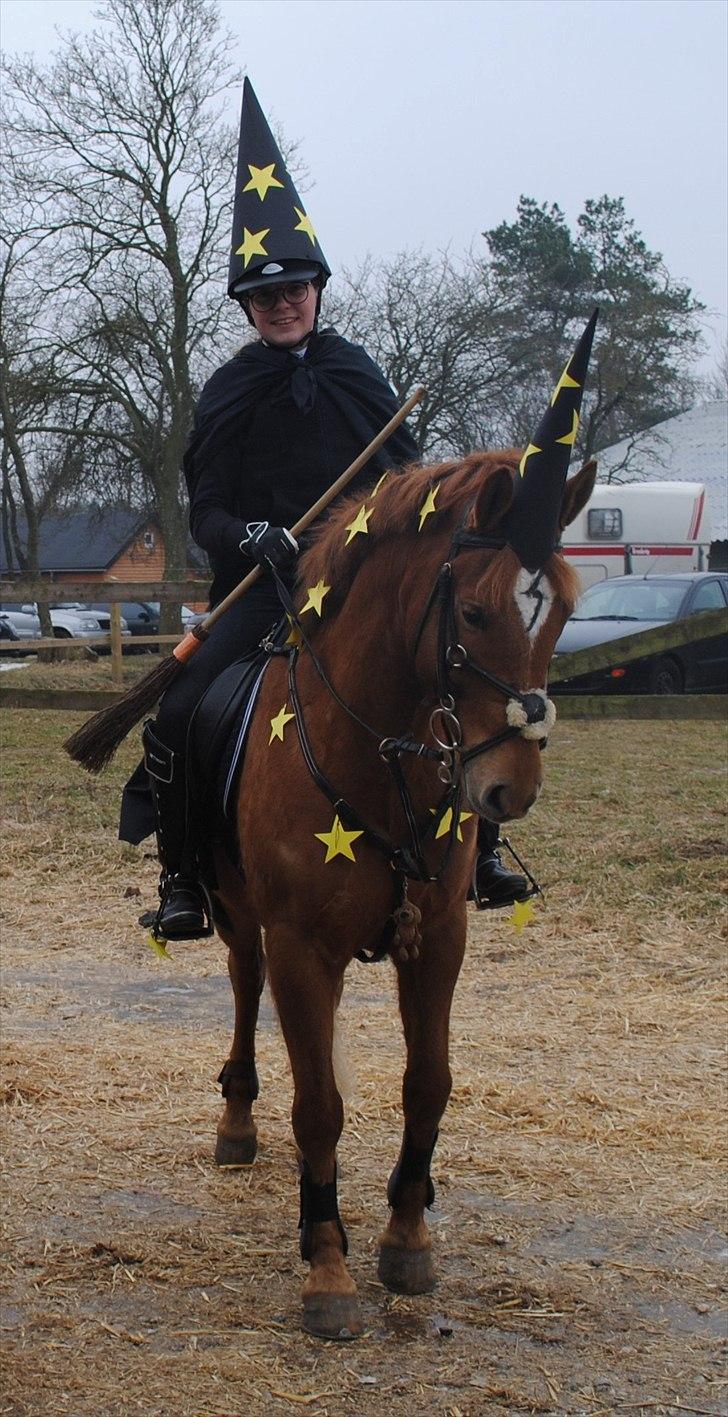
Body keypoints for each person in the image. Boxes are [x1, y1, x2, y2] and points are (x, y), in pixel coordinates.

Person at [119, 79, 526, 938]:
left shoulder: (358, 377)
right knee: (185, 707)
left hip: (359, 586)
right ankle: (186, 878)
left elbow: (414, 483)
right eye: (266, 295)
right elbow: (207, 512)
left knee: (455, 676)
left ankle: (481, 853)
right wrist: (251, 536)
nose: (283, 302)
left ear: (317, 289)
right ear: (247, 306)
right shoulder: (228, 392)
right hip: (260, 589)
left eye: (296, 289)